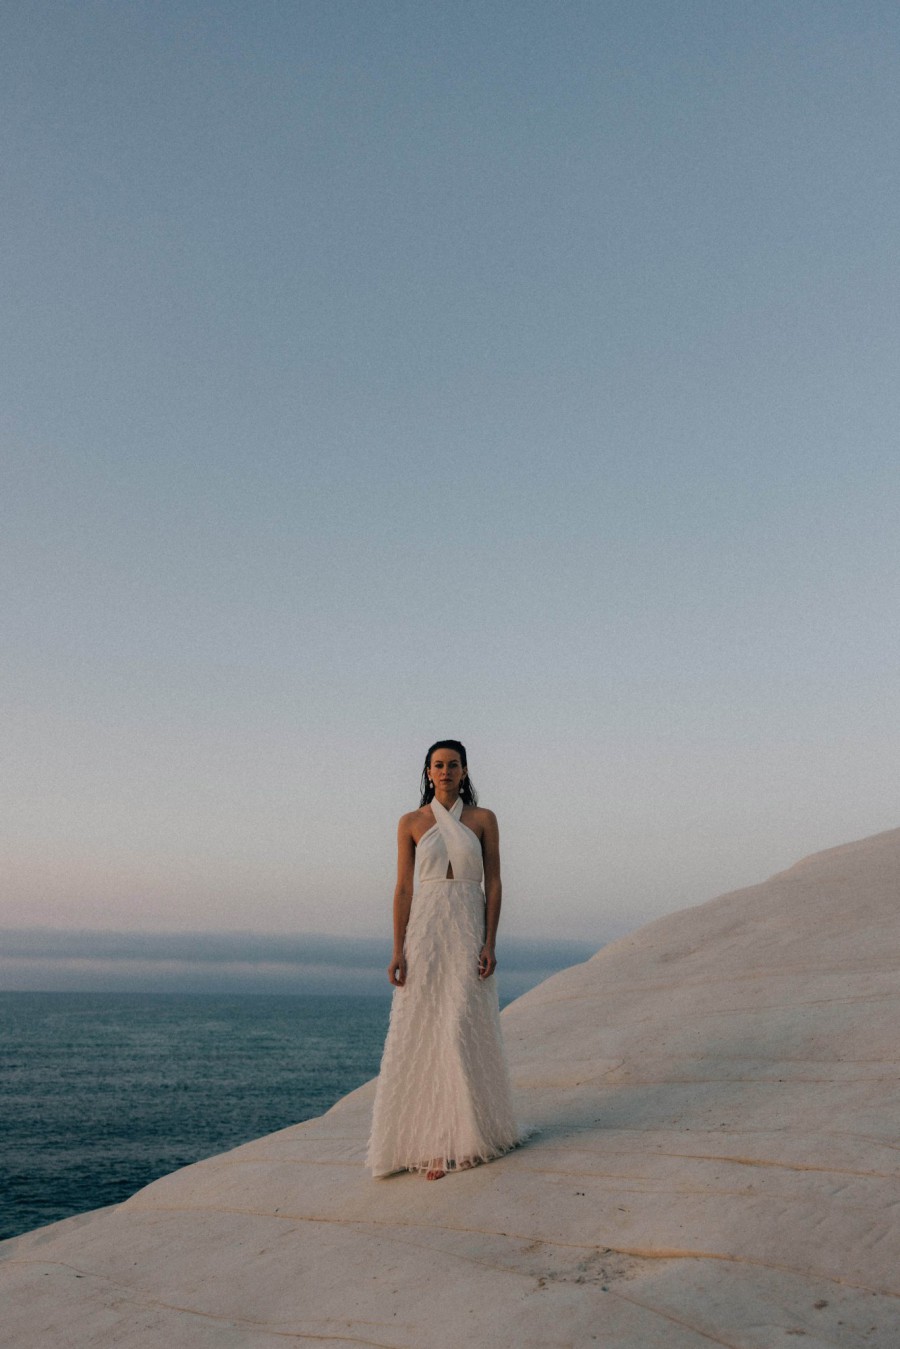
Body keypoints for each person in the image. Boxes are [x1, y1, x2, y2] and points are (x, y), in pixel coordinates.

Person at [366, 739, 522, 1180]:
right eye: (438, 765)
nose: (446, 771)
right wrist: (398, 949)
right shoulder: (411, 822)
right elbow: (403, 888)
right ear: (428, 772)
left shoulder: (482, 819)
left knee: (462, 1027)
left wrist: (490, 942)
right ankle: (432, 1146)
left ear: (465, 771)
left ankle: (469, 1136)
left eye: (454, 764)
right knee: (425, 1028)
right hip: (427, 930)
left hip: (468, 926)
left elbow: (493, 882)